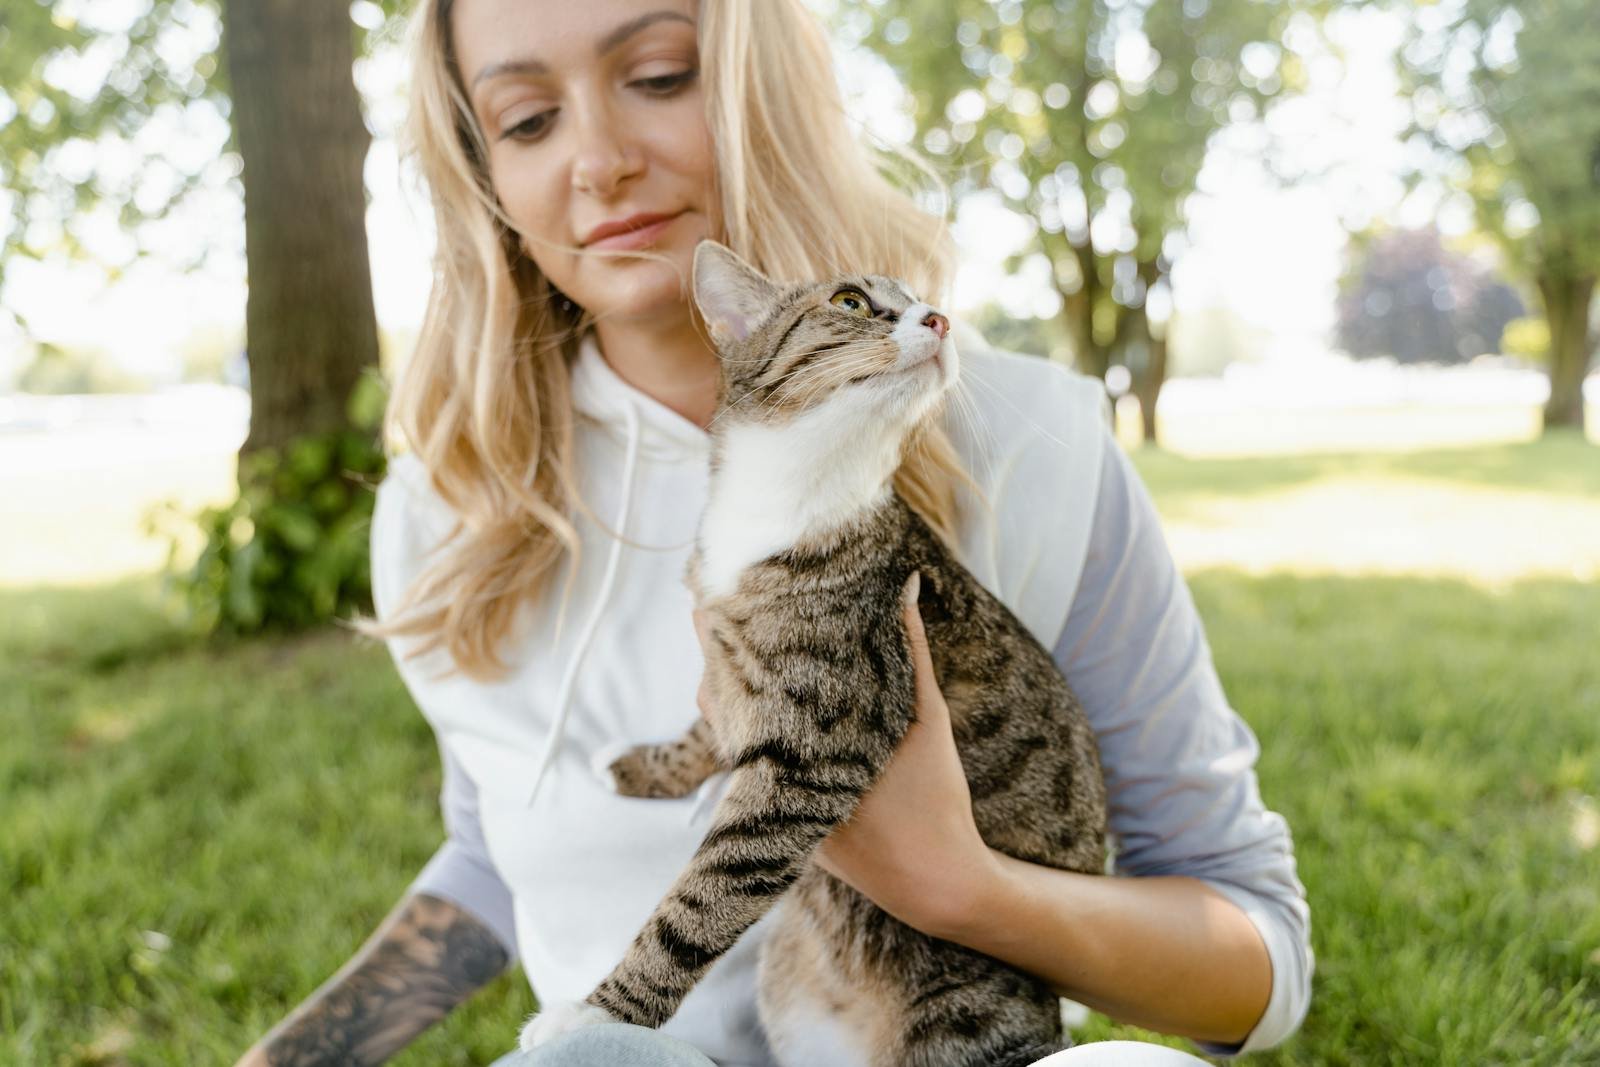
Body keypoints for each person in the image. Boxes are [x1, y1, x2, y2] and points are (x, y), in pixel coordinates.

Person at [233, 0, 1312, 1064]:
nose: (598, 161)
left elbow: (1254, 950)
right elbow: (494, 855)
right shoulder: (448, 508)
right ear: (486, 177)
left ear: (771, 83)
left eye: (658, 76)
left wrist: (961, 888)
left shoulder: (1036, 442)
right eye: (525, 120)